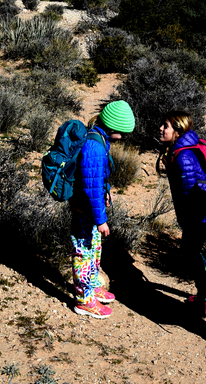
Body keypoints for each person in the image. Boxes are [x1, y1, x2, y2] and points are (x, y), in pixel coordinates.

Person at [70, 99, 135, 318]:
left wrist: (107, 192)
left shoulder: (100, 140)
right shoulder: (95, 146)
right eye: (123, 132)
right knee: (84, 254)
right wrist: (101, 220)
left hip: (88, 210)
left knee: (94, 250)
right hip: (85, 211)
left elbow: (97, 181)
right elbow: (91, 189)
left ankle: (91, 286)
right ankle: (84, 300)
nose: (124, 137)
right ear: (113, 127)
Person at [157, 110, 206, 316]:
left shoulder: (183, 157)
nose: (161, 128)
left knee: (190, 253)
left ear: (177, 130)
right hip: (200, 212)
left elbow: (188, 193)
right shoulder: (180, 149)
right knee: (192, 252)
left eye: (166, 126)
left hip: (198, 214)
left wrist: (188, 220)